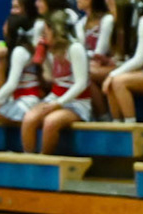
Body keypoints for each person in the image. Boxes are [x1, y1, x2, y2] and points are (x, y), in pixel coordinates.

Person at [18, 11, 90, 155]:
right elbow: (50, 78)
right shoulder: (53, 51)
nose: (44, 35)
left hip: (77, 102)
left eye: (46, 31)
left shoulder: (75, 48)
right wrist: (42, 56)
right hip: (55, 97)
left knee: (51, 122)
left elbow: (81, 83)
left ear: (55, 30)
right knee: (29, 118)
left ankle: (44, 160)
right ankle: (29, 159)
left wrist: (59, 103)